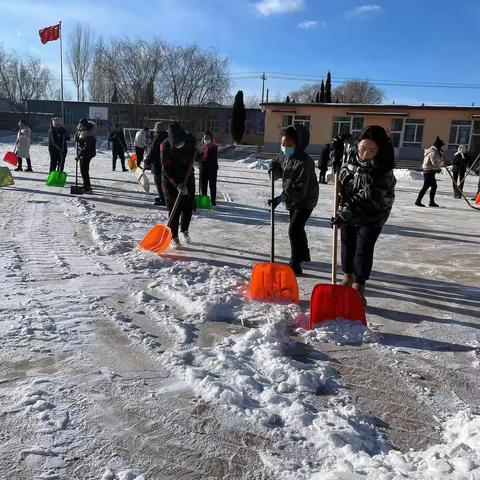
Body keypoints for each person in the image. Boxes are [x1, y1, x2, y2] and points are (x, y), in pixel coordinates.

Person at [333, 125, 396, 305]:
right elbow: (340, 137)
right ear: (357, 144)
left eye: (371, 150)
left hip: (373, 213)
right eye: (362, 148)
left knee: (363, 247)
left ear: (379, 150)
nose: (365, 154)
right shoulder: (352, 154)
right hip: (347, 209)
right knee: (347, 243)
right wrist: (335, 152)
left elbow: (372, 200)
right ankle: (347, 276)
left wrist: (346, 212)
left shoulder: (383, 170)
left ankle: (359, 284)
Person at [269, 124, 319, 275]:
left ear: (299, 144)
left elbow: (300, 189)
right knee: (297, 228)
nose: (285, 148)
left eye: (289, 145)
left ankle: (295, 263)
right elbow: (279, 164)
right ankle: (304, 254)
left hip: (306, 200)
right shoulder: (286, 155)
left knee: (294, 229)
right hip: (292, 198)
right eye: (283, 144)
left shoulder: (305, 162)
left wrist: (282, 197)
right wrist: (274, 166)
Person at [161, 122, 197, 248]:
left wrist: (201, 151)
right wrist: (176, 184)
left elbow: (197, 156)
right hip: (171, 181)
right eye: (176, 144)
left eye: (180, 142)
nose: (179, 145)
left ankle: (184, 231)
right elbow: (165, 169)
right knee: (174, 209)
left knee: (188, 206)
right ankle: (174, 237)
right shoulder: (165, 146)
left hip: (188, 177)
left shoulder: (189, 141)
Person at [415, 136, 445, 207]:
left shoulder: (434, 151)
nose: (441, 148)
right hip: (429, 171)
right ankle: (418, 201)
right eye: (441, 146)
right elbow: (434, 163)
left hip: (429, 171)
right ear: (438, 146)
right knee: (426, 187)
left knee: (433, 186)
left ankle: (431, 202)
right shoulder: (434, 152)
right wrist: (439, 167)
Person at [146, 122, 168, 206]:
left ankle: (163, 199)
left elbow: (153, 152)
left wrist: (147, 161)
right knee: (164, 181)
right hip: (166, 164)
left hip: (157, 164)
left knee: (158, 182)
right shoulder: (168, 137)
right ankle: (164, 196)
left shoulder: (157, 139)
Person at [74, 119, 96, 194]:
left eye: (82, 126)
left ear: (85, 126)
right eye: (80, 125)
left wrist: (79, 155)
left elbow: (87, 147)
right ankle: (85, 185)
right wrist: (77, 134)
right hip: (84, 153)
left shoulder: (89, 134)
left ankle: (88, 187)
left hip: (88, 153)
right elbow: (77, 140)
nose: (80, 127)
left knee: (84, 170)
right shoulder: (83, 131)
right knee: (83, 170)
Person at [199, 130, 219, 206]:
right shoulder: (200, 147)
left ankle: (213, 201)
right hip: (203, 169)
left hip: (212, 169)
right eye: (205, 137)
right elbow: (198, 158)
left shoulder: (214, 147)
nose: (206, 139)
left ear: (211, 138)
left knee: (212, 186)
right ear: (203, 138)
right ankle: (203, 202)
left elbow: (212, 158)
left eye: (208, 137)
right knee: (203, 186)